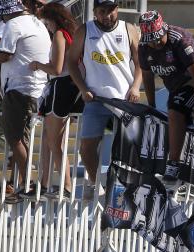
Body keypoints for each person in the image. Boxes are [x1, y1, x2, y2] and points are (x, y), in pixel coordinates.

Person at [66, 0, 140, 194]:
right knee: (87, 147)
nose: (107, 15)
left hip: (124, 99)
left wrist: (135, 87)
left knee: (127, 147)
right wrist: (82, 88)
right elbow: (71, 61)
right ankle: (94, 182)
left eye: (111, 10)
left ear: (117, 9)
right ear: (95, 11)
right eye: (102, 11)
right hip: (96, 99)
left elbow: (141, 64)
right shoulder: (85, 30)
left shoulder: (129, 29)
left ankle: (124, 187)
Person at [138, 10, 194, 189]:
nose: (156, 44)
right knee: (175, 114)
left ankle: (173, 164)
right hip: (177, 85)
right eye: (151, 40)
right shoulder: (143, 45)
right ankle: (186, 164)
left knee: (175, 110)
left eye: (158, 39)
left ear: (164, 30)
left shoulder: (180, 38)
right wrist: (151, 106)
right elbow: (147, 77)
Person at [0, 0, 50, 202]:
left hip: (20, 89)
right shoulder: (37, 23)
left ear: (7, 15)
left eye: (3, 17)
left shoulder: (14, 24)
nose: (3, 21)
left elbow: (4, 56)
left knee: (13, 137)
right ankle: (17, 184)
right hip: (36, 88)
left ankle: (28, 184)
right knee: (22, 138)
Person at [28, 1, 80, 200]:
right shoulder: (70, 34)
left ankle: (66, 186)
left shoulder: (59, 35)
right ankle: (44, 182)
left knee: (53, 141)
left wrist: (38, 65)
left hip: (61, 86)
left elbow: (56, 69)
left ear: (53, 19)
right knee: (48, 139)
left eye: (47, 22)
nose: (47, 26)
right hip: (66, 87)